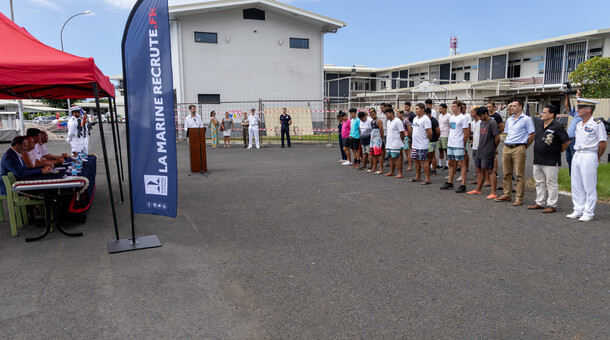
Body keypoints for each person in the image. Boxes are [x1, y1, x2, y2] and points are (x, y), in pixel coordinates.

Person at [566, 99, 607, 222]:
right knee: (576, 183)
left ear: (588, 109)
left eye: (580, 108)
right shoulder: (579, 124)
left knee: (589, 185)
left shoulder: (597, 123)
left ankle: (588, 212)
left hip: (589, 154)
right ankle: (578, 209)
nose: (577, 110)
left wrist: (597, 156)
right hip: (577, 154)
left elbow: (603, 144)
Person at [527, 104, 570, 213]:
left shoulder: (557, 127)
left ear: (551, 114)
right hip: (538, 159)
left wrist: (558, 151)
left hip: (551, 160)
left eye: (544, 112)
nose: (541, 114)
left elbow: (566, 142)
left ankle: (552, 204)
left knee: (551, 183)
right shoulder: (540, 126)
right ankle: (540, 202)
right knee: (539, 182)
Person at [495, 99, 535, 206]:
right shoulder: (509, 120)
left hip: (519, 147)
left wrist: (523, 147)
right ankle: (507, 194)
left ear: (520, 107)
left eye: (514, 106)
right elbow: (508, 134)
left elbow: (532, 135)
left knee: (519, 174)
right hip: (507, 146)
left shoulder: (526, 119)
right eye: (511, 106)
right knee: (506, 173)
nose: (511, 108)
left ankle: (519, 197)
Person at [468, 106, 500, 198]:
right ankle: (478, 189)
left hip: (488, 150)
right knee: (480, 170)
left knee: (490, 171)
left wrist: (493, 148)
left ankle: (493, 193)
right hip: (480, 149)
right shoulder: (482, 122)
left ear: (486, 113)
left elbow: (497, 138)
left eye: (481, 116)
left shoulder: (492, 122)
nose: (480, 118)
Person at [440, 100, 469, 193]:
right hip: (450, 143)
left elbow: (466, 133)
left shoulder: (463, 118)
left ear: (459, 107)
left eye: (454, 106)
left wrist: (463, 145)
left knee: (461, 164)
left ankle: (463, 184)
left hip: (458, 144)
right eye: (452, 106)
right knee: (451, 163)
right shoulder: (451, 117)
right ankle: (450, 182)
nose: (452, 108)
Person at [410, 104, 432, 184]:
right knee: (416, 160)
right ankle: (418, 176)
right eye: (415, 109)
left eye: (418, 109)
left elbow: (429, 132)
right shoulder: (415, 119)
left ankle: (427, 178)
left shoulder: (426, 119)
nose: (416, 110)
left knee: (424, 161)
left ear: (422, 109)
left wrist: (427, 140)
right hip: (415, 144)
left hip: (422, 144)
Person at [486, 100, 505, 182]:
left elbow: (502, 127)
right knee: (487, 155)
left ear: (494, 107)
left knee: (493, 154)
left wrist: (496, 133)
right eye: (487, 107)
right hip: (487, 137)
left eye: (490, 107)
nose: (488, 108)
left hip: (493, 137)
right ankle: (488, 171)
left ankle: (495, 171)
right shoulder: (486, 115)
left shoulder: (497, 116)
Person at [564, 90, 582, 175]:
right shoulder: (576, 114)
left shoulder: (583, 116)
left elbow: (581, 105)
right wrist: (567, 96)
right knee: (569, 159)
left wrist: (578, 96)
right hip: (568, 140)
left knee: (575, 160)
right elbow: (567, 108)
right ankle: (572, 177)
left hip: (575, 140)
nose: (579, 109)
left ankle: (576, 177)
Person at [384, 109, 404, 178]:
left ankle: (400, 173)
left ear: (391, 113)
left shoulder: (397, 121)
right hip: (389, 143)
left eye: (387, 114)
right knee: (390, 158)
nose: (386, 116)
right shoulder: (388, 121)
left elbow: (402, 132)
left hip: (396, 143)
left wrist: (401, 140)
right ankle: (391, 171)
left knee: (396, 158)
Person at [425, 107, 440, 176]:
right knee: (428, 155)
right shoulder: (426, 120)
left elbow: (438, 131)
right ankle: (429, 169)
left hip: (432, 140)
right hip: (427, 140)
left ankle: (434, 170)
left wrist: (436, 138)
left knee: (432, 155)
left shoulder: (433, 121)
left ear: (428, 114)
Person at [368, 108, 384, 174]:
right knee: (373, 154)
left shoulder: (379, 120)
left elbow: (381, 130)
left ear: (376, 113)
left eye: (373, 114)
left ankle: (381, 169)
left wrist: (381, 138)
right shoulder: (372, 121)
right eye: (371, 115)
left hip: (377, 140)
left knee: (379, 155)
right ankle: (374, 168)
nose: (372, 116)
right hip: (372, 140)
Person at [469, 106, 481, 184]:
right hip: (475, 146)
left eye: (472, 112)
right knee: (476, 163)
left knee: (483, 164)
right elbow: (472, 134)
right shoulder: (473, 123)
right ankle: (478, 179)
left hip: (481, 146)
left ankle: (486, 180)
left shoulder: (482, 122)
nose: (471, 114)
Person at [437, 103, 450, 170]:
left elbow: (451, 126)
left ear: (445, 108)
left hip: (446, 134)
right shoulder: (440, 116)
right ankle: (440, 164)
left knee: (446, 150)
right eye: (439, 108)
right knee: (440, 149)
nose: (439, 110)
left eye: (440, 108)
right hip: (440, 135)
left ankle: (447, 164)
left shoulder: (448, 116)